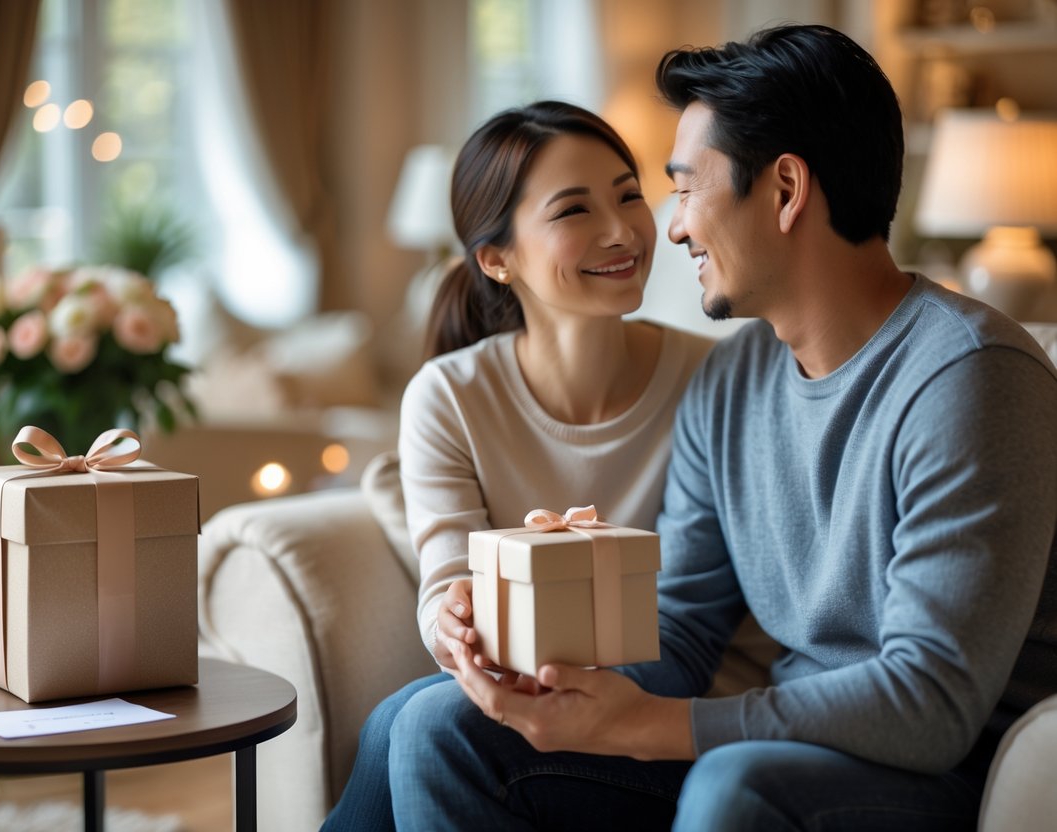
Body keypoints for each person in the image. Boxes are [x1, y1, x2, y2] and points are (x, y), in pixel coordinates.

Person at [385, 23, 1057, 831]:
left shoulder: (969, 375)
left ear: (782, 190)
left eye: (683, 189)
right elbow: (684, 628)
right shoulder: (730, 381)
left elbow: (930, 701)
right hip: (769, 747)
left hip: (933, 771)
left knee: (733, 787)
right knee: (438, 728)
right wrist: (558, 678)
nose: (669, 229)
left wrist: (640, 724)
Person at [321, 102, 716, 830]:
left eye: (629, 194)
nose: (621, 230)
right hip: (528, 689)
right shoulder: (449, 395)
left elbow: (697, 622)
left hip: (674, 707)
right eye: (574, 210)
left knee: (410, 723)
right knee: (402, 719)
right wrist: (457, 625)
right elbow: (447, 580)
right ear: (496, 259)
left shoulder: (714, 379)